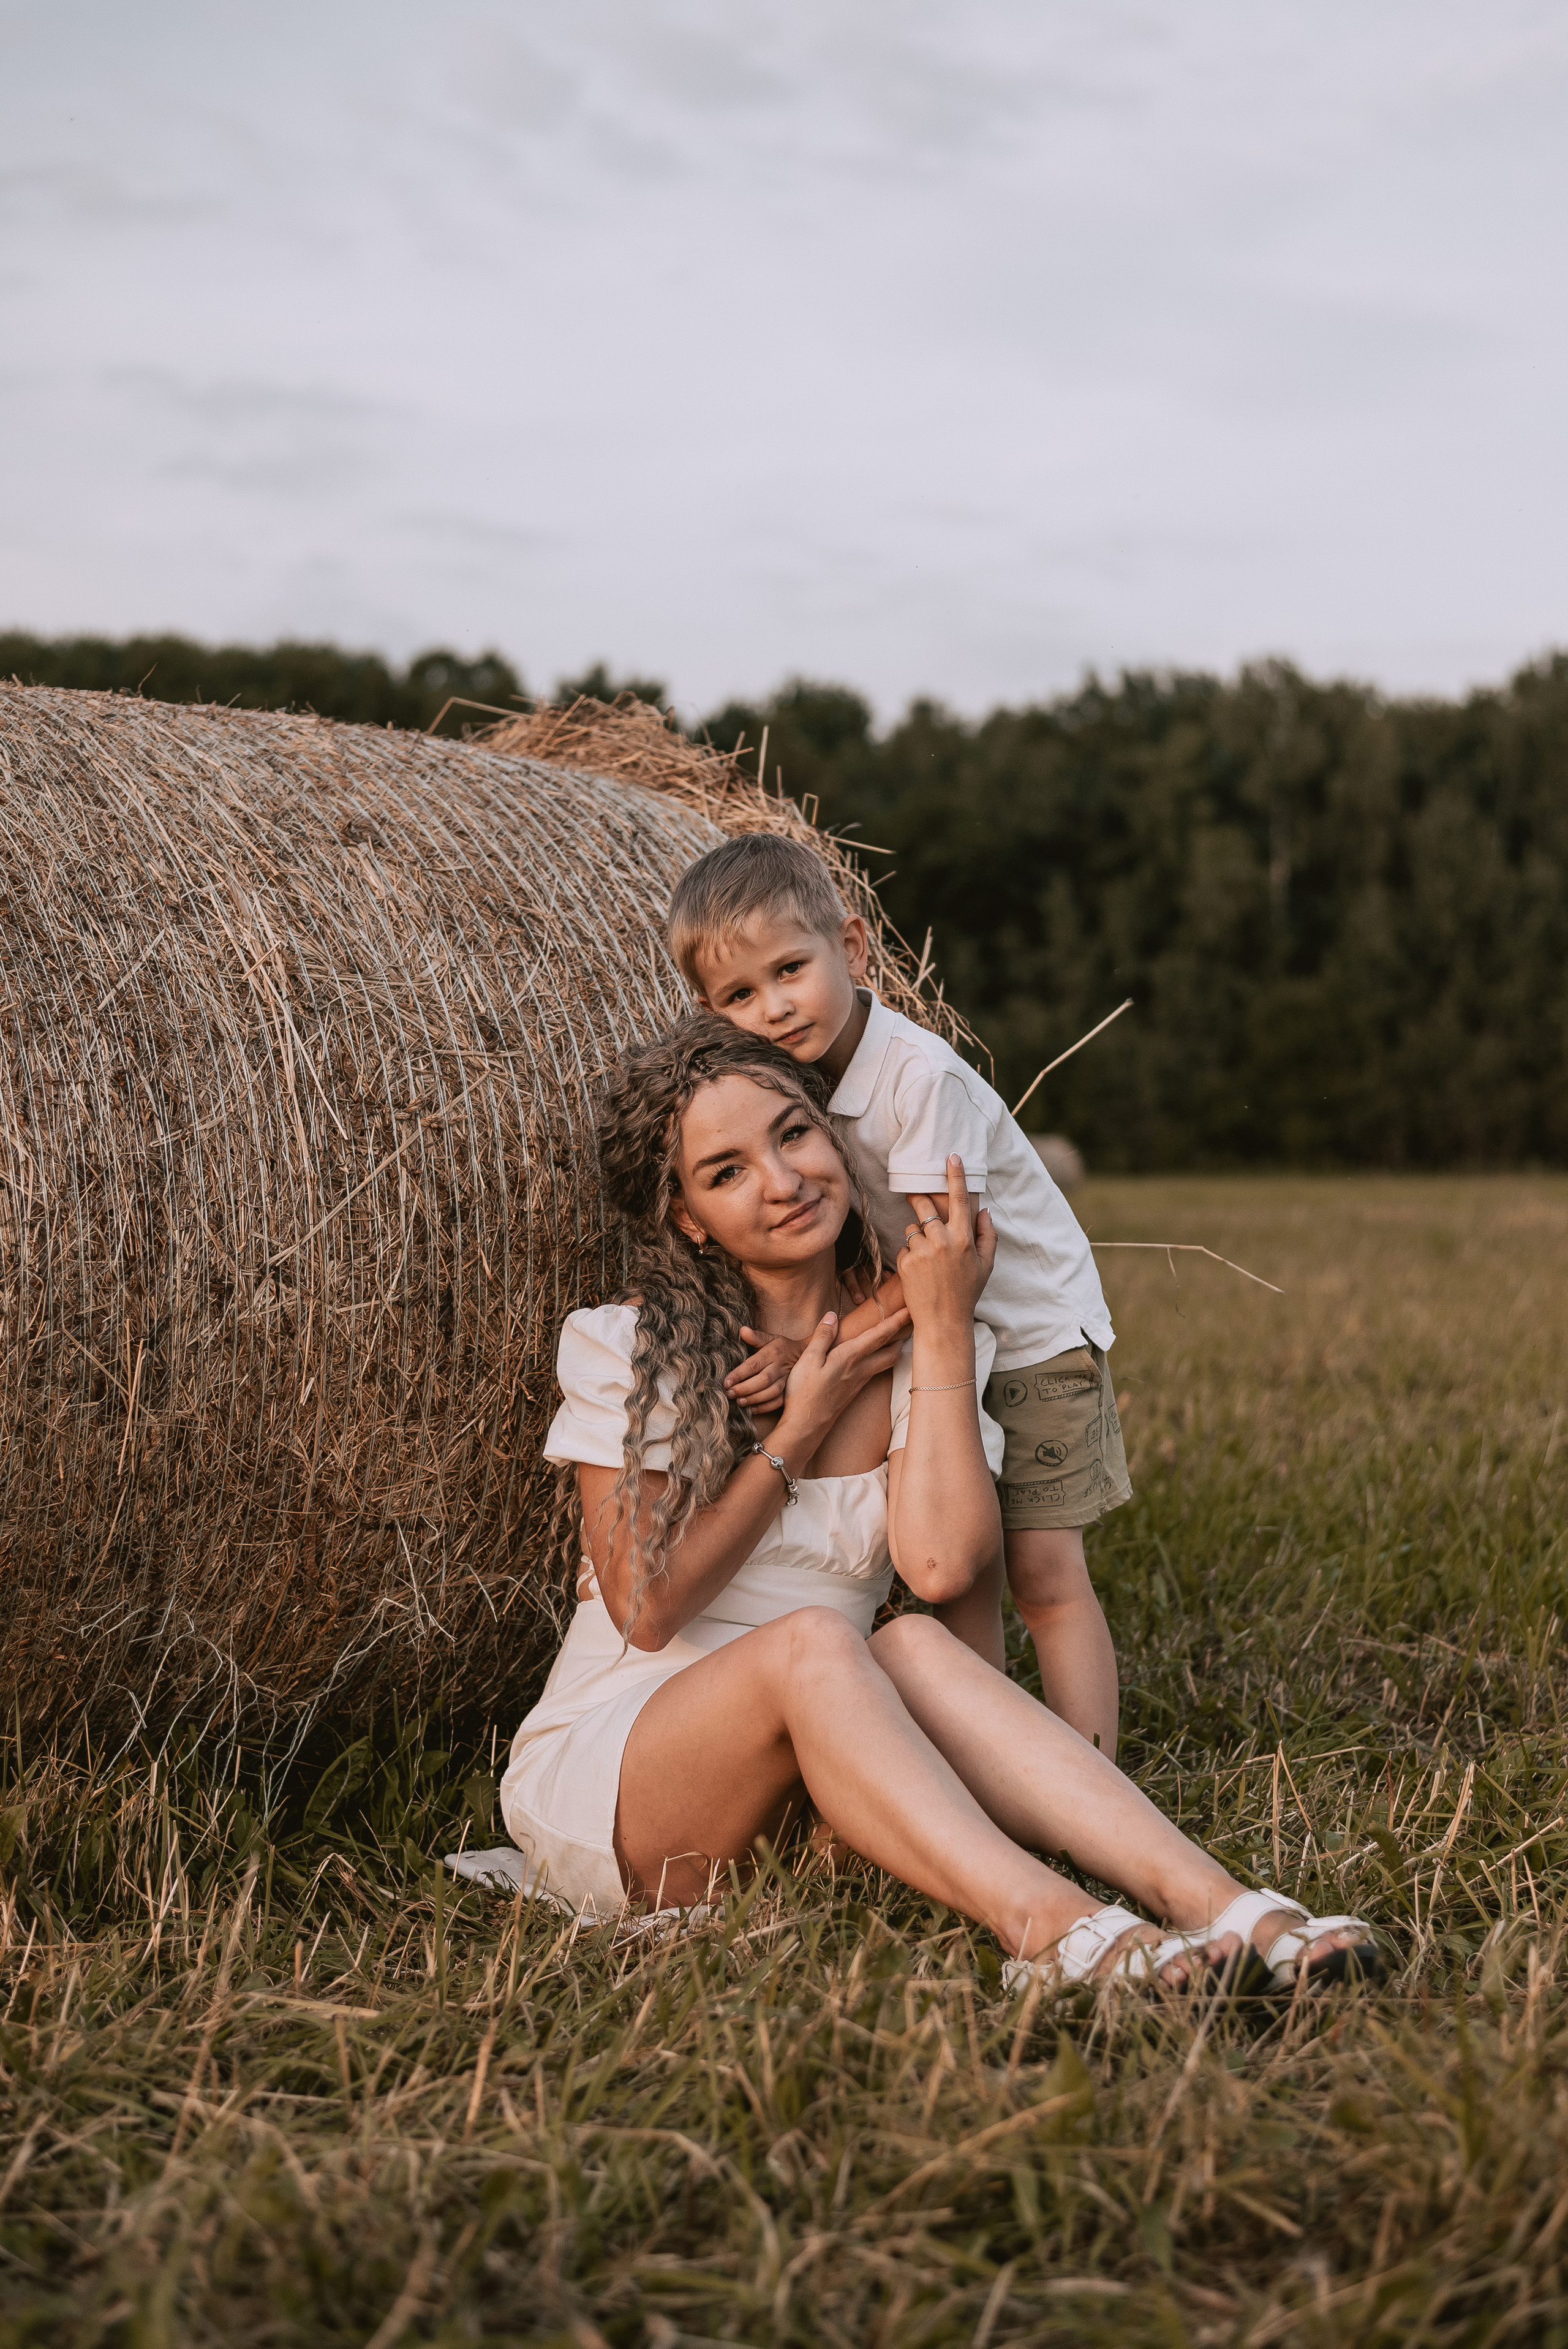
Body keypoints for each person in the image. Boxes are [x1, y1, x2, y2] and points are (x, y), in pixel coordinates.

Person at [499, 1018, 1379, 1997]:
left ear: (836, 1139)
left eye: (794, 1134)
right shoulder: (627, 1346)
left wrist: (947, 1323)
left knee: (916, 1645)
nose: (783, 1179)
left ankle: (1227, 1907)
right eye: (728, 1170)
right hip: (629, 1779)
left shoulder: (925, 1335)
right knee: (818, 1642)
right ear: (692, 1217)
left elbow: (944, 1564)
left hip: (819, 1784)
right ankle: (1056, 1930)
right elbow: (646, 1607)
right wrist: (801, 1424)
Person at [666, 833, 1125, 1752]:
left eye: (791, 969)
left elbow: (942, 1265)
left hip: (1028, 1333)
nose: (775, 1007)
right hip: (938, 1332)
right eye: (740, 995)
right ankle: (989, 1756)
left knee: (1043, 1571)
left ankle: (1093, 1773)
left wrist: (815, 1349)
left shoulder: (919, 1081)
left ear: (856, 947)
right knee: (959, 1573)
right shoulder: (787, 1082)